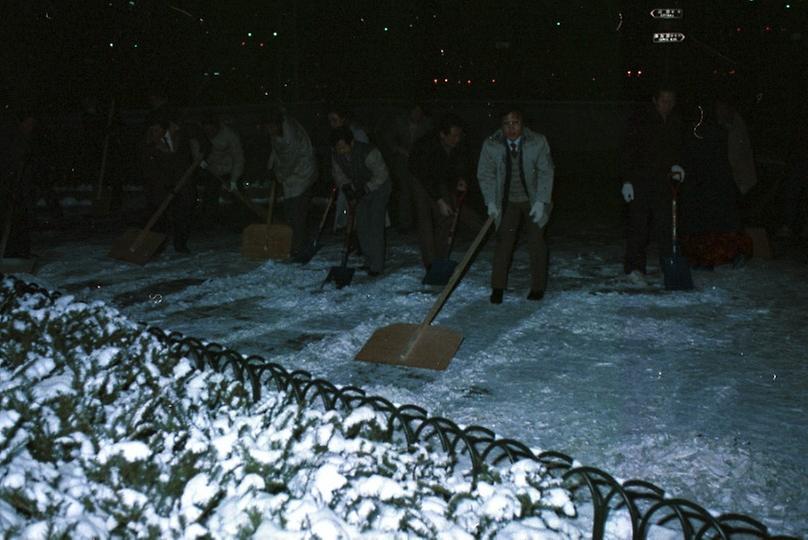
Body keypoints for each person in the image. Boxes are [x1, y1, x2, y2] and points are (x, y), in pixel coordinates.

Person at [477, 105, 554, 304]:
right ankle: (497, 287)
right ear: (501, 126)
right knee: (504, 242)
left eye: (516, 123)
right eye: (507, 124)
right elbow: (485, 174)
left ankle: (537, 287)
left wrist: (541, 201)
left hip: (532, 199)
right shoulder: (491, 145)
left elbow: (546, 171)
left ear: (522, 123)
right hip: (507, 201)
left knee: (537, 242)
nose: (512, 128)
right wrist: (491, 202)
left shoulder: (537, 142)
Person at [620, 86, 685, 277]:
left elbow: (679, 148)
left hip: (664, 183)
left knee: (667, 227)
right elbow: (627, 151)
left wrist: (678, 165)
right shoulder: (640, 121)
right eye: (664, 100)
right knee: (639, 228)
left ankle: (670, 268)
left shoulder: (675, 121)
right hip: (640, 182)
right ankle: (634, 268)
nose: (668, 105)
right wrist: (627, 181)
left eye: (671, 101)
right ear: (655, 100)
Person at [678, 102, 752, 268]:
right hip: (703, 181)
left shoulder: (721, 130)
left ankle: (729, 255)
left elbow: (736, 155)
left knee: (719, 221)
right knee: (704, 222)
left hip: (715, 180)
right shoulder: (696, 130)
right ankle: (705, 258)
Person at [408, 113, 468, 270]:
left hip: (438, 178)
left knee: (446, 217)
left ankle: (441, 257)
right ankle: (431, 263)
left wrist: (460, 179)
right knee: (425, 218)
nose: (457, 139)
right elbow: (426, 176)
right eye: (453, 136)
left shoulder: (457, 144)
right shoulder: (426, 147)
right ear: (442, 134)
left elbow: (458, 164)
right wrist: (439, 200)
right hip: (419, 177)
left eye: (459, 135)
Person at [330, 126, 391, 276]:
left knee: (375, 224)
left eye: (343, 147)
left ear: (351, 143)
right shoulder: (336, 155)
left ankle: (377, 266)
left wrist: (366, 189)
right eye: (338, 148)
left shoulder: (369, 152)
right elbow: (339, 174)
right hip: (359, 189)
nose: (341, 151)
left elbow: (381, 174)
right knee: (362, 224)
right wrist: (346, 188)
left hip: (379, 188)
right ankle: (369, 260)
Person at [262, 106, 318, 261]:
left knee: (297, 212)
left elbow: (288, 162)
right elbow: (276, 150)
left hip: (302, 174)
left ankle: (299, 247)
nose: (269, 129)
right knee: (290, 211)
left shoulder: (289, 138)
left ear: (278, 124)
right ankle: (295, 244)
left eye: (271, 126)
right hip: (291, 175)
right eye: (267, 126)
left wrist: (277, 175)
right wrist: (270, 165)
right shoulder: (279, 131)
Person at [142, 112, 197, 254]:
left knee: (182, 215)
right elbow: (151, 170)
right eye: (152, 130)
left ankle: (181, 244)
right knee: (159, 217)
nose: (155, 133)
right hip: (161, 187)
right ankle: (156, 246)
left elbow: (183, 159)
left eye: (157, 130)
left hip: (181, 184)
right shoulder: (150, 147)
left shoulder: (177, 138)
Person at [383, 103, 433, 231]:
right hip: (402, 163)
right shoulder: (399, 122)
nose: (417, 114)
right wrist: (400, 150)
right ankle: (405, 223)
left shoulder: (427, 124)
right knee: (405, 192)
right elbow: (389, 140)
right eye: (415, 111)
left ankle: (421, 223)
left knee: (420, 192)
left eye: (420, 111)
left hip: (420, 164)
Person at [192, 114, 245, 221]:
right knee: (209, 196)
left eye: (211, 129)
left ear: (217, 127)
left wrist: (234, 180)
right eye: (206, 130)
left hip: (230, 168)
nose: (209, 133)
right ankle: (209, 223)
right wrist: (199, 160)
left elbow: (238, 157)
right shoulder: (199, 133)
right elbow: (195, 145)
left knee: (237, 196)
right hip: (212, 168)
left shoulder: (230, 135)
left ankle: (239, 222)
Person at [0, 110, 38, 259]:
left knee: (19, 218)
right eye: (29, 123)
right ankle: (13, 251)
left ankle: (18, 252)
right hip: (8, 182)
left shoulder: (24, 138)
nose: (31, 127)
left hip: (16, 184)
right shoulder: (11, 135)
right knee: (11, 217)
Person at [327, 105, 370, 230]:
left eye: (335, 120)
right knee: (348, 213)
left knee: (362, 214)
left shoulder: (358, 134)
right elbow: (336, 165)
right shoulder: (334, 137)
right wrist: (345, 185)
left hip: (362, 181)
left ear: (343, 119)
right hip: (347, 182)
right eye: (330, 121)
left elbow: (366, 158)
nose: (332, 124)